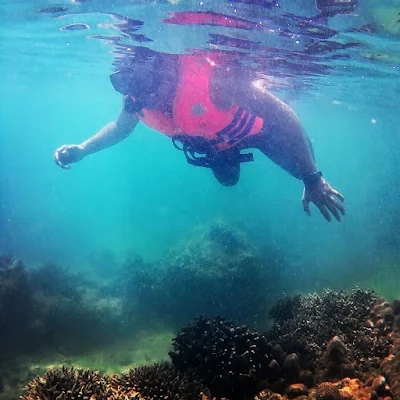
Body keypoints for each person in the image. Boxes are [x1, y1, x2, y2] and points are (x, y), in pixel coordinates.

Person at [54, 48, 345, 222]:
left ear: (161, 69)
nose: (133, 93)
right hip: (215, 144)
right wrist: (83, 149)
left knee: (291, 154)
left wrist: (312, 178)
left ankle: (306, 159)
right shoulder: (136, 96)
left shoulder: (217, 84)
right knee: (229, 181)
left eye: (139, 82)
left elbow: (284, 115)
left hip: (257, 133)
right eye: (120, 83)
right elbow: (120, 128)